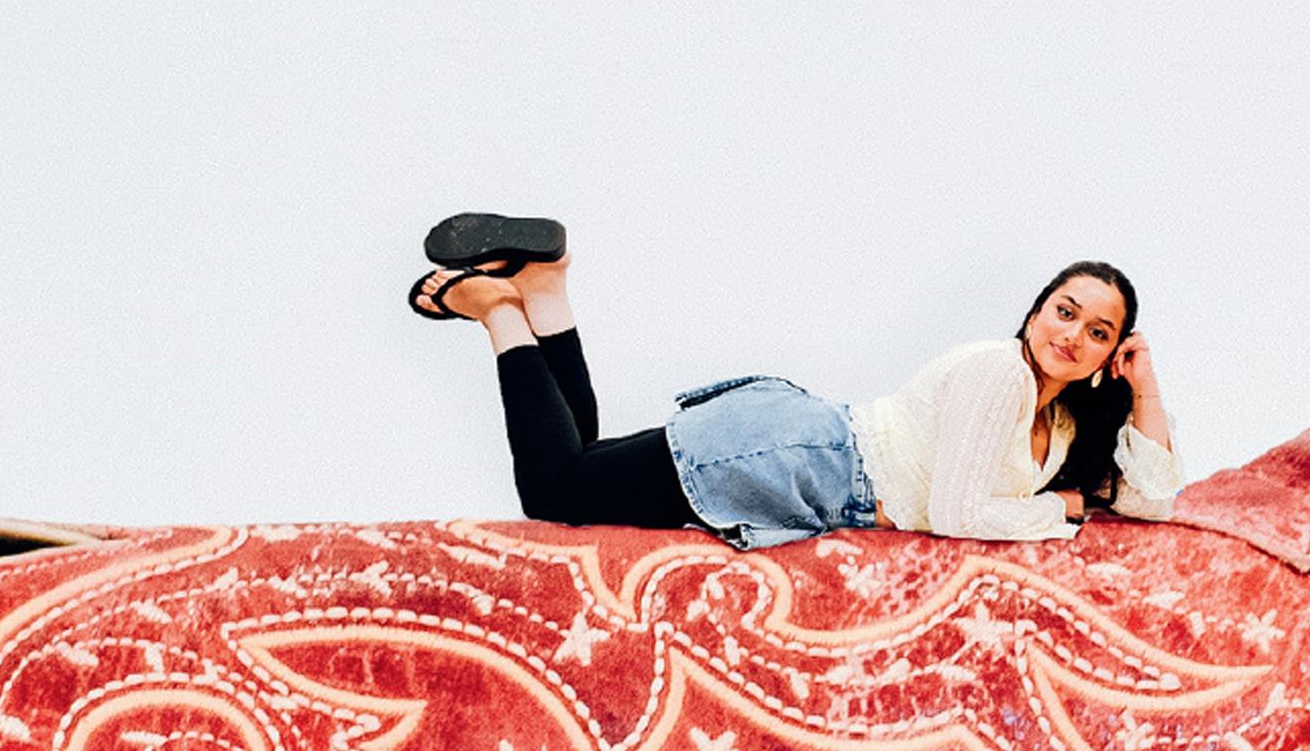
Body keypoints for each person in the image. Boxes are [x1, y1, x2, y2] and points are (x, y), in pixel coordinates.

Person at [408, 216, 1178, 544]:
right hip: (797, 458)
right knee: (557, 491)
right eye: (1064, 311)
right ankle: (501, 311)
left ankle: (546, 292)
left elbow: (1151, 499)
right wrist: (1058, 508)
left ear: (1110, 352)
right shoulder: (999, 372)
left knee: (582, 467)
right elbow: (956, 511)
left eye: (1097, 332)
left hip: (800, 454)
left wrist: (1143, 390)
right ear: (1035, 311)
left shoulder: (1062, 425)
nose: (1071, 335)